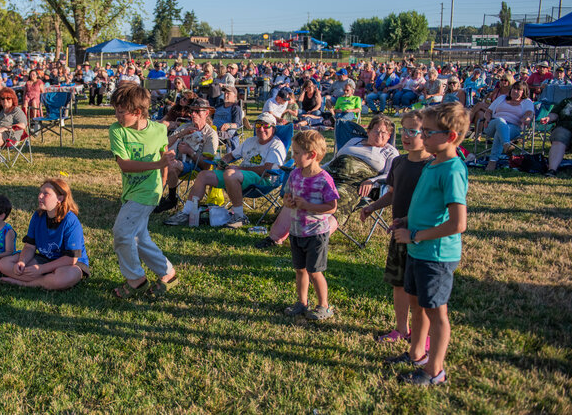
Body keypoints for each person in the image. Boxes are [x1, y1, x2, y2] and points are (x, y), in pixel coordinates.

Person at [386, 102, 469, 386]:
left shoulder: (452, 170)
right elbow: (426, 205)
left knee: (436, 313)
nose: (423, 135)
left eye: (429, 132)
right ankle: (416, 353)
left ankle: (434, 371)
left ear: (451, 137)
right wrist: (406, 220)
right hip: (418, 249)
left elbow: (458, 224)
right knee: (417, 304)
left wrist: (415, 235)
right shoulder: (433, 163)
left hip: (435, 254)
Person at [256, 116, 398, 249]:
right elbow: (335, 159)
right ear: (368, 131)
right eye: (376, 131)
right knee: (301, 190)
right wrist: (318, 169)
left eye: (384, 133)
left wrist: (371, 181)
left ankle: (314, 241)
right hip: (329, 174)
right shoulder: (354, 141)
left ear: (389, 135)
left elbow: (390, 175)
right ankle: (275, 238)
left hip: (354, 184)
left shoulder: (390, 152)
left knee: (339, 199)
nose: (380, 135)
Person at [360, 110, 433, 343]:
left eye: (413, 131)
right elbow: (393, 194)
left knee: (419, 289)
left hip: (421, 236)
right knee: (399, 283)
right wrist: (373, 207)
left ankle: (423, 334)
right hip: (399, 234)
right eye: (404, 130)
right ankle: (401, 329)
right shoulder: (399, 162)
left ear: (427, 133)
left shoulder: (432, 166)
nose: (407, 136)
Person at [109, 83, 178, 298]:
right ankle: (168, 273)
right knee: (139, 237)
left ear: (138, 112)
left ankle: (136, 279)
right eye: (116, 111)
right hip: (131, 191)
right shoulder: (117, 130)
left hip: (149, 192)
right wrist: (158, 164)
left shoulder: (158, 130)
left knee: (121, 234)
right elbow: (125, 164)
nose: (117, 116)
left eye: (122, 112)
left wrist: (163, 182)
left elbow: (164, 157)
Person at [165, 112, 286, 229]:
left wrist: (239, 168)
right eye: (258, 125)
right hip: (240, 175)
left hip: (263, 179)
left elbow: (268, 168)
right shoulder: (250, 141)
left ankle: (239, 217)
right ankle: (186, 213)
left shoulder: (276, 145)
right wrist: (223, 162)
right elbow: (231, 156)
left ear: (273, 128)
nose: (261, 129)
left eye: (266, 125)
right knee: (203, 175)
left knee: (230, 174)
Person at [282, 130, 339, 320]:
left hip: (316, 233)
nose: (293, 157)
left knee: (315, 271)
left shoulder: (324, 180)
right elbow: (286, 196)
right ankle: (302, 302)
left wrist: (309, 206)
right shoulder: (295, 174)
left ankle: (324, 305)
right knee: (300, 270)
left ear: (312, 155)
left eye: (297, 153)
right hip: (297, 230)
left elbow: (332, 207)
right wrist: (288, 202)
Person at [0, 179, 91, 289]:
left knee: (66, 276)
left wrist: (41, 269)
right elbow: (29, 246)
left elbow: (71, 259)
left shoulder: (70, 221)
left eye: (46, 193)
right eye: (40, 192)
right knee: (4, 264)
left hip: (68, 265)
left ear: (60, 198)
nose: (40, 196)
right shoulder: (38, 216)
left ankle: (26, 283)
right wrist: (22, 262)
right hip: (44, 259)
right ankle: (46, 281)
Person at [154, 98, 218, 213]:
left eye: (197, 111)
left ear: (206, 113)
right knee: (161, 161)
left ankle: (171, 199)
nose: (193, 114)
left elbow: (207, 165)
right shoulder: (185, 127)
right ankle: (157, 197)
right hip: (177, 162)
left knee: (171, 165)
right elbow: (164, 144)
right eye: (192, 111)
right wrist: (181, 134)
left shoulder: (210, 134)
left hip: (195, 166)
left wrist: (190, 151)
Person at [481, 80, 534, 171]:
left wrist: (526, 118)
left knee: (500, 131)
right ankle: (506, 145)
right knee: (500, 122)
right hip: (493, 124)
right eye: (514, 89)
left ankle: (492, 162)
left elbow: (529, 113)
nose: (515, 91)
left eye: (518, 90)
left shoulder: (526, 102)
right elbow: (488, 111)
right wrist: (487, 118)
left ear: (524, 92)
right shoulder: (502, 98)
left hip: (513, 127)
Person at [541, 77, 572, 178]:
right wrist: (548, 118)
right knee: (559, 137)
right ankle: (552, 169)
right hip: (564, 126)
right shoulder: (566, 101)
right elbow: (555, 114)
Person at [213, 85, 244, 153]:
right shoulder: (218, 106)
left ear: (235, 96)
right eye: (225, 93)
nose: (225, 95)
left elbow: (237, 124)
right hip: (212, 130)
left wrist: (228, 125)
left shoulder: (235, 108)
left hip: (224, 133)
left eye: (228, 93)